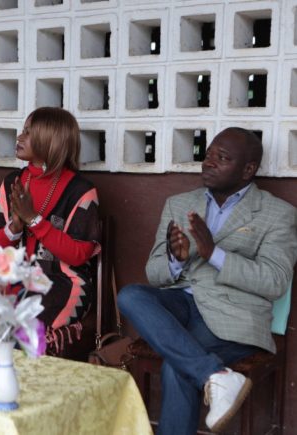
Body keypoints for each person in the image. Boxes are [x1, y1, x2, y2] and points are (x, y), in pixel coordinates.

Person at [118, 127, 297, 435]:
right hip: (180, 305)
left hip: (233, 317)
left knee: (178, 369)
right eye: (209, 154)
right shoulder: (178, 203)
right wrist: (177, 259)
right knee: (131, 295)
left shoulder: (277, 214)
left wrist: (214, 253)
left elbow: (275, 280)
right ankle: (216, 374)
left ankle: (209, 373)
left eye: (222, 157)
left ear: (248, 170)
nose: (209, 162)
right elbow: (154, 271)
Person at [0, 107, 101, 348]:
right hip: (13, 276)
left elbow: (78, 256)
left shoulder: (81, 190)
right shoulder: (12, 182)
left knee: (20, 328)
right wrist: (14, 228)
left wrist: (34, 220)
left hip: (62, 283)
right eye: (22, 131)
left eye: (28, 132)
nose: (19, 137)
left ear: (50, 141)